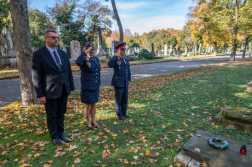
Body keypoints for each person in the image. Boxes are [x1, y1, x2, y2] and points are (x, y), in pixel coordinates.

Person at [32, 29, 75, 146]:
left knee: (61, 113)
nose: (56, 39)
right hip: (49, 91)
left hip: (63, 89)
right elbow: (36, 76)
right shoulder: (39, 54)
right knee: (52, 115)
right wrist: (40, 94)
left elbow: (68, 71)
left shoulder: (62, 53)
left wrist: (71, 86)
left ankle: (61, 133)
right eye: (53, 37)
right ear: (46, 38)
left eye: (56, 37)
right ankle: (55, 136)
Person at [76, 42, 101, 130]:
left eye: (93, 48)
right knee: (87, 105)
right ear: (85, 49)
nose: (92, 50)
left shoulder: (96, 59)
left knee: (93, 104)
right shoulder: (83, 59)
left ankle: (93, 121)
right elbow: (78, 62)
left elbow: (98, 73)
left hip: (95, 85)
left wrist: (99, 84)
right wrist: (86, 52)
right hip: (87, 85)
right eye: (90, 48)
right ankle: (88, 122)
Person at [108, 43, 131, 120]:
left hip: (125, 82)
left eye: (124, 50)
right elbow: (110, 65)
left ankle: (124, 113)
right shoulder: (115, 59)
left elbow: (128, 70)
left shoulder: (126, 59)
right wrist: (115, 56)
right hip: (118, 82)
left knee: (125, 98)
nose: (124, 51)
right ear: (118, 50)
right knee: (119, 99)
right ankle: (119, 114)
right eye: (122, 50)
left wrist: (129, 79)